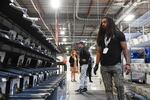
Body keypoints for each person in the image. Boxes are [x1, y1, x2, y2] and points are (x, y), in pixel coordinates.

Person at [93, 16, 131, 100]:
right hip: (104, 66)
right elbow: (99, 52)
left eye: (105, 22)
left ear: (110, 23)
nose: (103, 24)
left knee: (119, 86)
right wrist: (96, 64)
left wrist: (128, 64)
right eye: (102, 23)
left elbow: (125, 49)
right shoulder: (100, 37)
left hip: (116, 65)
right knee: (108, 89)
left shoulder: (119, 34)